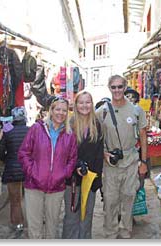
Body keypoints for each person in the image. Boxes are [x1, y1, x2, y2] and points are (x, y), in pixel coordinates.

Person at [96, 75, 148, 239]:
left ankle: (126, 232)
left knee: (128, 198)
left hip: (131, 160)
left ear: (125, 87)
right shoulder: (101, 112)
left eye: (120, 86)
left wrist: (144, 162)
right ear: (109, 88)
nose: (117, 90)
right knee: (110, 201)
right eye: (114, 87)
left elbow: (143, 137)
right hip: (110, 162)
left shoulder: (136, 110)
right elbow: (95, 138)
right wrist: (104, 154)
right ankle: (110, 233)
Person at [18, 96, 78, 239]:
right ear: (51, 110)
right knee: (35, 227)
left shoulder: (70, 135)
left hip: (56, 187)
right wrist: (32, 172)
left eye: (64, 110)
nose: (60, 113)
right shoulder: (36, 129)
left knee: (52, 226)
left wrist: (63, 174)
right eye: (57, 109)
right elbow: (24, 153)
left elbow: (72, 159)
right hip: (33, 186)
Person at [62, 91, 104, 239]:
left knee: (86, 216)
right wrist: (75, 167)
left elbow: (99, 154)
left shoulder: (97, 124)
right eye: (81, 102)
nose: (84, 105)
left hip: (90, 179)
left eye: (88, 102)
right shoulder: (69, 124)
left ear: (92, 104)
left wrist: (97, 180)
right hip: (72, 179)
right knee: (71, 216)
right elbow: (64, 152)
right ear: (75, 104)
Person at [0, 106, 29, 232]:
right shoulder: (31, 131)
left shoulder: (7, 131)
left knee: (15, 199)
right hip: (28, 169)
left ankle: (17, 224)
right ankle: (31, 223)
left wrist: (7, 160)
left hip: (12, 169)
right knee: (32, 199)